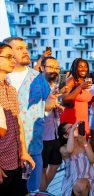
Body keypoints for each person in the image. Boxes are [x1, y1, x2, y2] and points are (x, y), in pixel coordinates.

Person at [3, 37, 53, 192]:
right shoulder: (4, 77)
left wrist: (49, 106)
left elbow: (48, 106)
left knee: (31, 190)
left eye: (25, 48)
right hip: (4, 154)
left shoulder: (39, 78)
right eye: (19, 48)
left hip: (32, 149)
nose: (25, 51)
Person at [0, 42, 35, 195]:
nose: (13, 61)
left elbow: (18, 122)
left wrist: (24, 151)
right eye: (9, 57)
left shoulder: (11, 89)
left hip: (16, 159)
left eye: (13, 57)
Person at [39, 57, 64, 193]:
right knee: (42, 168)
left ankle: (42, 190)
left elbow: (49, 105)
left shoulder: (53, 86)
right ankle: (42, 192)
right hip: (42, 134)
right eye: (51, 67)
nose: (54, 70)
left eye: (57, 68)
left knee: (55, 164)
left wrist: (57, 106)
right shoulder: (37, 85)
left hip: (54, 132)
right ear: (42, 68)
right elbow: (34, 109)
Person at [58, 122, 94, 196]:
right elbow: (70, 150)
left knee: (81, 185)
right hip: (71, 181)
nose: (75, 128)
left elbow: (92, 160)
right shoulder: (63, 149)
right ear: (65, 135)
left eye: (73, 126)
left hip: (87, 179)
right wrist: (72, 131)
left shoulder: (85, 144)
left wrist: (85, 143)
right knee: (80, 185)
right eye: (71, 128)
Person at [60, 58, 93, 139]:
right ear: (75, 67)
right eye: (80, 66)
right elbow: (64, 99)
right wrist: (80, 87)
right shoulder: (71, 80)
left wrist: (93, 99)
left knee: (82, 146)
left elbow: (79, 99)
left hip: (83, 118)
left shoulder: (83, 80)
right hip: (72, 118)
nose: (83, 69)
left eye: (85, 66)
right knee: (74, 147)